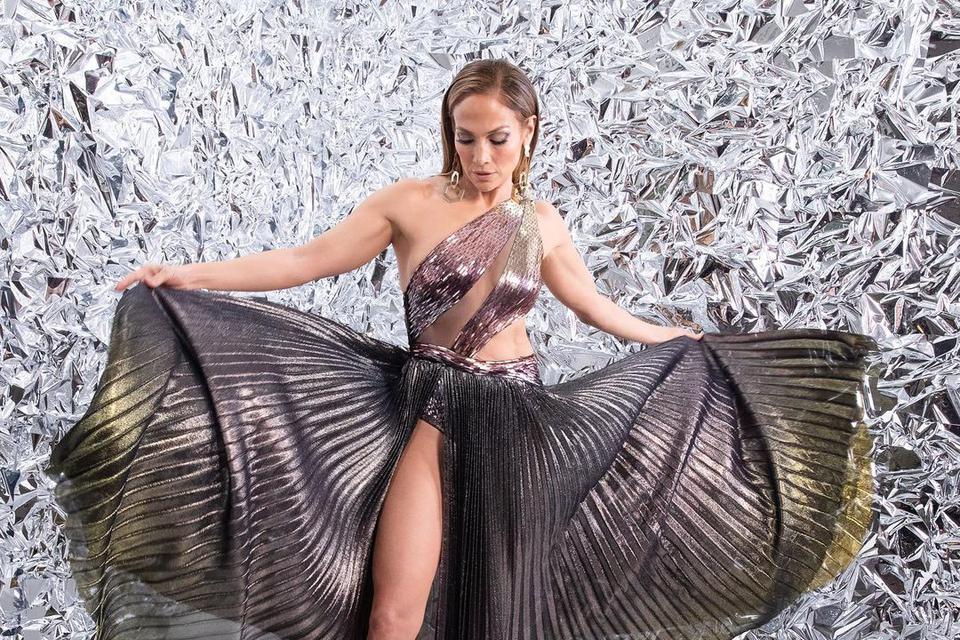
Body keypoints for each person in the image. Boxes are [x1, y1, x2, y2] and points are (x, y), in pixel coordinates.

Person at [46, 59, 878, 640]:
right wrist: (186, 276)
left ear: (529, 134)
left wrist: (669, 337)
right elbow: (305, 261)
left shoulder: (540, 222)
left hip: (518, 421)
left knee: (505, 617)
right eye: (466, 137)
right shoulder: (408, 205)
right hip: (430, 406)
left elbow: (595, 307)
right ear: (450, 133)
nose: (481, 157)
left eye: (498, 139)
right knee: (393, 614)